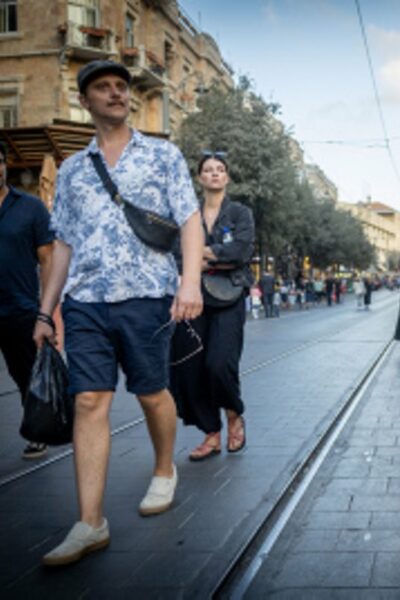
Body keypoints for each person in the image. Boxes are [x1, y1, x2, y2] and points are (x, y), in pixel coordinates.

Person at [33, 60, 204, 567]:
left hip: (147, 295)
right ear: (84, 100)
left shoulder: (162, 155)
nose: (115, 94)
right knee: (88, 400)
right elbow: (62, 243)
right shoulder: (71, 170)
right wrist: (46, 312)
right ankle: (90, 522)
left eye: (120, 88)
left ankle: (162, 469)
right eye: (102, 88)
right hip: (85, 300)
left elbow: (189, 222)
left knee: (152, 392)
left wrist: (189, 282)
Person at [170, 153, 254, 461]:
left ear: (227, 177)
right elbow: (177, 254)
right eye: (208, 170)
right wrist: (213, 255)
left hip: (229, 296)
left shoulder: (240, 212)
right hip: (193, 297)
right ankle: (211, 432)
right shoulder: (187, 214)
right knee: (191, 368)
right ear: (200, 178)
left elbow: (242, 250)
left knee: (219, 364)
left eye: (220, 169)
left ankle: (234, 414)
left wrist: (202, 252)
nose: (214, 174)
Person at [0, 141, 55, 459]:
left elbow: (47, 259)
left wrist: (45, 312)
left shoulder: (30, 207)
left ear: (5, 164)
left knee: (25, 374)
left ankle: (37, 432)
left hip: (19, 308)